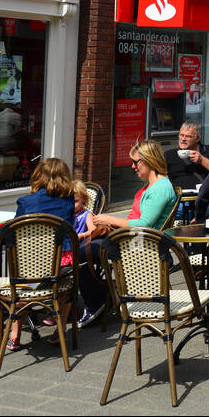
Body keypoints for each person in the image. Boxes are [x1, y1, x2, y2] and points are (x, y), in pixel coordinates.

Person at [77, 140, 177, 327]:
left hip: (142, 245)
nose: (132, 166)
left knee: (83, 252)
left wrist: (109, 220)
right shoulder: (152, 187)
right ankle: (98, 297)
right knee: (84, 248)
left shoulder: (160, 188)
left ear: (149, 160)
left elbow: (144, 224)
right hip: (133, 240)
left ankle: (96, 301)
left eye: (136, 162)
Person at [5, 158, 77, 351]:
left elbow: (12, 231)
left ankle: (14, 334)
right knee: (68, 288)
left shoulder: (26, 202)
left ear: (38, 175)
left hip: (27, 267)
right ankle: (59, 330)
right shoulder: (68, 199)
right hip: (59, 266)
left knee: (20, 283)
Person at [165, 121, 209, 191]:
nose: (183, 139)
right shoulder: (169, 155)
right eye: (181, 135)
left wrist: (202, 160)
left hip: (206, 197)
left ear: (197, 138)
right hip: (182, 199)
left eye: (188, 136)